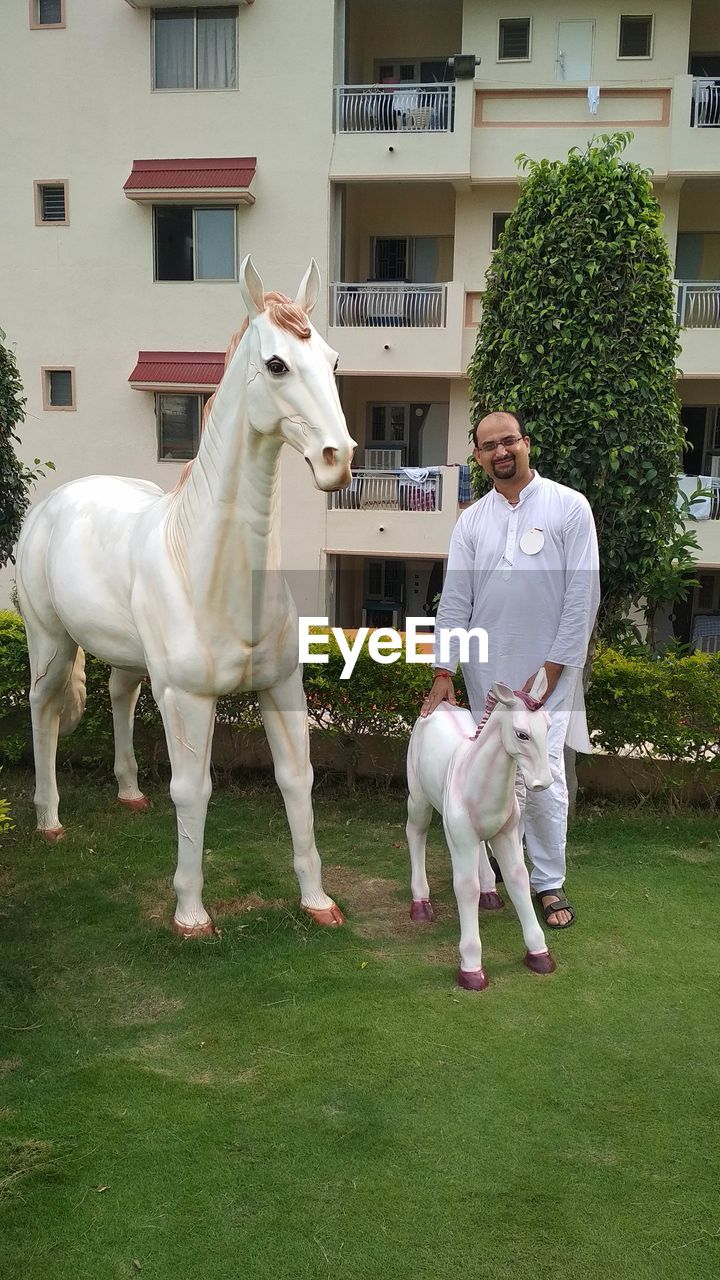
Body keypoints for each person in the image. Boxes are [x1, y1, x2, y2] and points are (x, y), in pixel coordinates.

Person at [422, 410, 600, 928]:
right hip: (488, 677)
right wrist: (443, 670)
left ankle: (548, 883)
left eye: (509, 442)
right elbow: (455, 600)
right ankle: (503, 864)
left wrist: (551, 666)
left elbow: (581, 595)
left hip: (548, 676)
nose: (500, 452)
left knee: (542, 780)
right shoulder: (472, 520)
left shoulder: (569, 507)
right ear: (477, 457)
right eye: (488, 446)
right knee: (496, 774)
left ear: (526, 444)